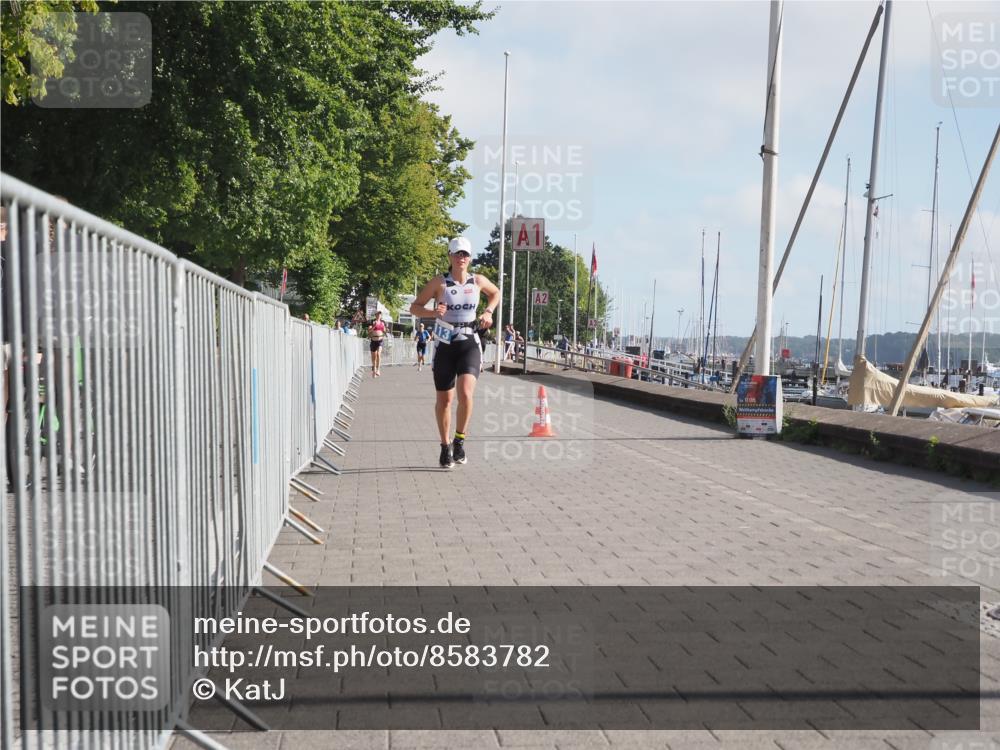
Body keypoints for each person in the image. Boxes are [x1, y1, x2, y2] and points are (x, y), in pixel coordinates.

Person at [409, 236, 500, 469]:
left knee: (466, 393)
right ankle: (444, 445)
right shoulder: (439, 283)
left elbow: (496, 293)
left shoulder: (477, 280)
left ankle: (459, 441)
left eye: (466, 254)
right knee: (445, 399)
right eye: (458, 254)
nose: (462, 258)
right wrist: (433, 313)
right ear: (450, 256)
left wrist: (488, 312)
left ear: (470, 258)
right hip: (445, 344)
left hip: (469, 342)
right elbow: (414, 307)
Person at [368, 310, 386, 377]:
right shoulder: (372, 322)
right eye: (377, 314)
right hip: (373, 340)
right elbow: (369, 331)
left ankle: (378, 369)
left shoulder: (383, 322)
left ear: (381, 316)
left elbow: (384, 331)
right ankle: (374, 369)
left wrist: (385, 331)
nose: (378, 316)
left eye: (380, 314)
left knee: (378, 354)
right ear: (375, 315)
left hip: (380, 340)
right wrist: (374, 326)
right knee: (374, 357)